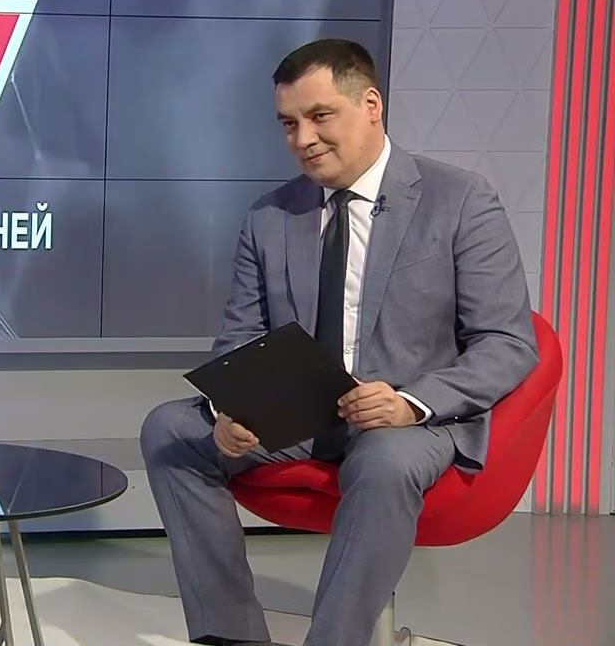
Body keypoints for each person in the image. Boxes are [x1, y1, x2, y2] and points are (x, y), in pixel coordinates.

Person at [139, 38, 537, 646]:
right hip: (298, 418)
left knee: (382, 460)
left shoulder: (460, 200)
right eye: (288, 124)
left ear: (370, 105)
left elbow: (507, 342)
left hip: (410, 422)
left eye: (320, 116)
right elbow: (240, 339)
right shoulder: (269, 217)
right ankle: (231, 634)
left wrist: (411, 403)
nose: (303, 139)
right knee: (170, 429)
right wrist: (230, 409)